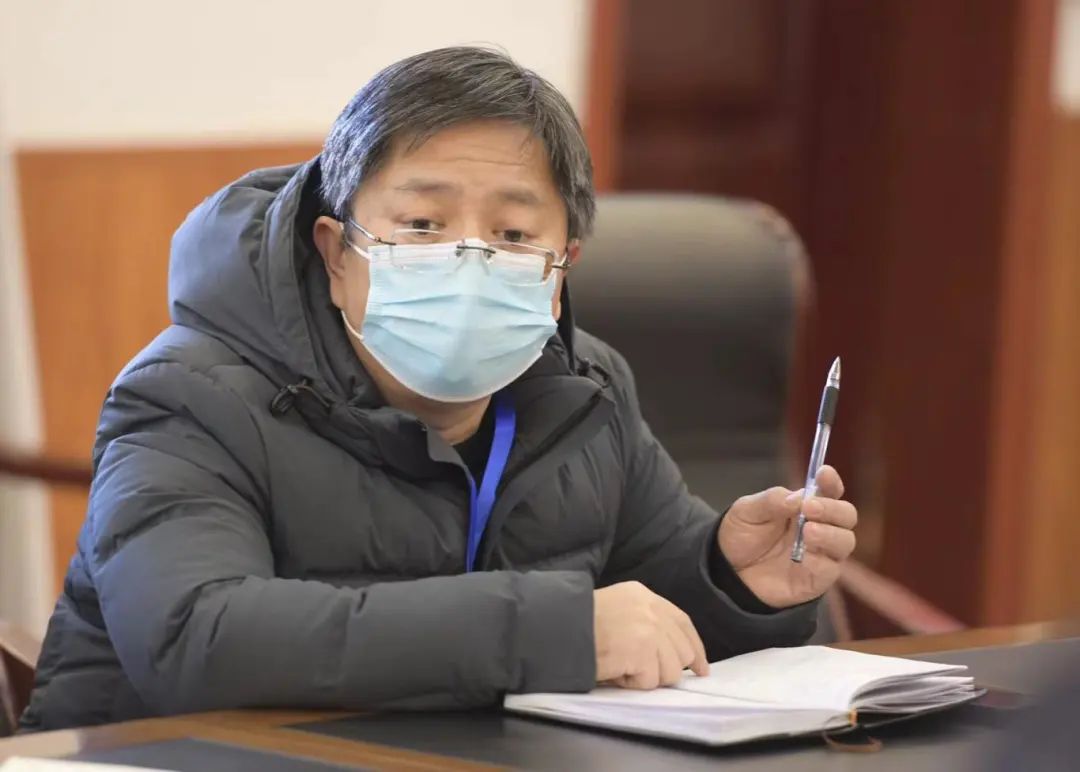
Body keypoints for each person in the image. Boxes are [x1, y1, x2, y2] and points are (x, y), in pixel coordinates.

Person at [20, 46, 857, 731]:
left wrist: (730, 581)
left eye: (514, 232)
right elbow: (196, 640)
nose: (470, 259)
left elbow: (646, 619)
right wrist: (549, 630)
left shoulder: (584, 390)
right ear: (336, 252)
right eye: (423, 224)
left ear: (561, 270)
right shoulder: (188, 396)